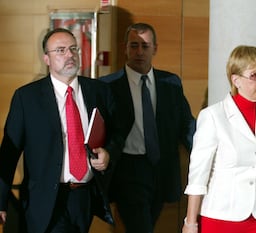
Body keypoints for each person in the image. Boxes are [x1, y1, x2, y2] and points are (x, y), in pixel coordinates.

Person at [0, 28, 123, 233]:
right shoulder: (27, 98)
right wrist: (0, 201)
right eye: (60, 50)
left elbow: (117, 133)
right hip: (45, 198)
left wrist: (109, 153)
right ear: (46, 58)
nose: (69, 55)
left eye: (73, 49)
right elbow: (8, 154)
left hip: (84, 197)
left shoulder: (99, 91)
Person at [100, 22, 196, 233]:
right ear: (125, 48)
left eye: (145, 46)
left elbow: (186, 125)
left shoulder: (171, 82)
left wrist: (203, 156)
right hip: (127, 170)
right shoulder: (107, 86)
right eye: (134, 45)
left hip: (161, 169)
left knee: (146, 226)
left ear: (155, 48)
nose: (139, 52)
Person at [182, 45, 256, 233]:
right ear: (236, 80)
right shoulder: (212, 116)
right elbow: (198, 176)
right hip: (222, 217)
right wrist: (191, 223)